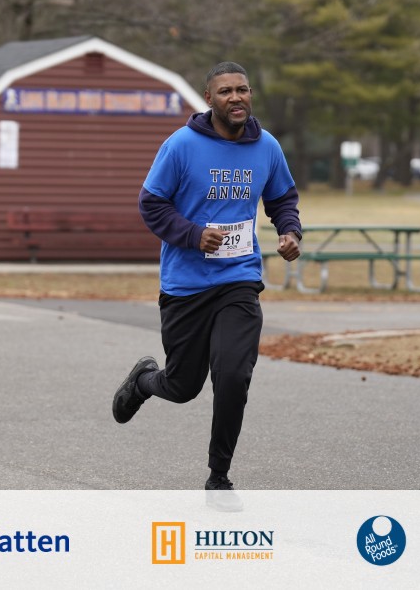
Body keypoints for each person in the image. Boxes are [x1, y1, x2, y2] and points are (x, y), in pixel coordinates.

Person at [112, 61, 302, 512]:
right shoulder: (181, 145)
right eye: (226, 91)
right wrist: (194, 235)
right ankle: (143, 381)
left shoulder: (267, 146)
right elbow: (151, 204)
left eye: (242, 89)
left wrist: (290, 230)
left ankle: (219, 477)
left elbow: (281, 198)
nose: (236, 98)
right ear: (209, 99)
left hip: (239, 280)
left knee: (233, 376)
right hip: (186, 285)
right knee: (182, 386)